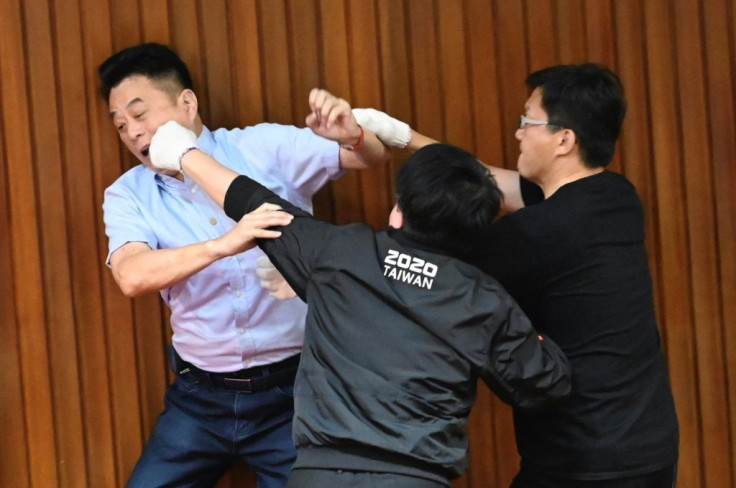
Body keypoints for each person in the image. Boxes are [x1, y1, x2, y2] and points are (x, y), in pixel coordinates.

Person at [147, 119, 572, 488]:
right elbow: (547, 383)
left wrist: (185, 153)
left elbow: (256, 204)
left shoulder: (339, 254)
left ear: (398, 210)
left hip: (317, 476)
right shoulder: (483, 300)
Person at [353, 63, 679, 487]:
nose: (518, 133)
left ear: (564, 139)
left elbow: (432, 272)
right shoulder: (616, 197)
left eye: (528, 121)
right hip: (649, 443)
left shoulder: (533, 234)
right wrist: (401, 135)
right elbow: (483, 179)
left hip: (586, 458)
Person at [98, 42, 390, 488]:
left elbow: (367, 157)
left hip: (292, 392)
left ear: (187, 103)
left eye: (140, 115)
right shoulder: (128, 193)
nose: (133, 133)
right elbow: (131, 276)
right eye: (121, 125)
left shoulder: (262, 147)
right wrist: (223, 245)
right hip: (200, 398)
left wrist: (352, 134)